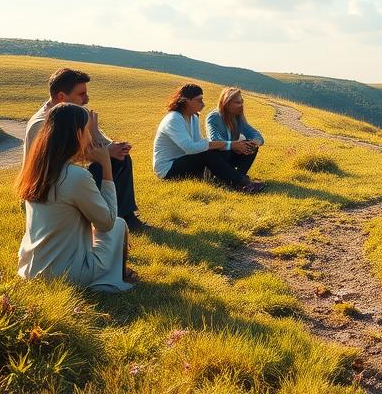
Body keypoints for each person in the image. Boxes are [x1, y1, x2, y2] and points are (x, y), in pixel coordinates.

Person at [16, 103, 136, 292]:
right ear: (78, 134)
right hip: (67, 275)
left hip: (30, 269)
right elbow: (107, 222)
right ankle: (116, 275)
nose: (90, 137)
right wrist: (106, 166)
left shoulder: (36, 170)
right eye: (88, 131)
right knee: (118, 224)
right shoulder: (75, 176)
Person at [25, 68, 144, 232]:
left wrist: (114, 147)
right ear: (61, 97)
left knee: (120, 158)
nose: (87, 99)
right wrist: (104, 152)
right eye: (81, 94)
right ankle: (111, 218)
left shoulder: (76, 114)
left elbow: (98, 141)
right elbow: (54, 162)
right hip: (49, 184)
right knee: (101, 166)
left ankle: (126, 216)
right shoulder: (41, 124)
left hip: (71, 175)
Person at [153, 83, 264, 192]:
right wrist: (229, 145)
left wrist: (246, 144)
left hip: (186, 161)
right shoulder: (174, 119)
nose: (203, 104)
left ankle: (236, 179)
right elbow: (190, 148)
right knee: (207, 152)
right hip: (168, 168)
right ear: (186, 101)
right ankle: (242, 183)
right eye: (199, 100)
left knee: (240, 146)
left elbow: (198, 143)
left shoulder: (193, 118)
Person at [205, 87, 264, 188]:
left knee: (251, 146)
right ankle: (232, 181)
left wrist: (253, 143)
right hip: (216, 161)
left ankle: (239, 178)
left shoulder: (236, 118)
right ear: (226, 102)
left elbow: (257, 135)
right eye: (237, 102)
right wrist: (234, 146)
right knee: (222, 151)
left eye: (242, 102)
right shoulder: (214, 117)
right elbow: (215, 141)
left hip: (229, 156)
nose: (241, 105)